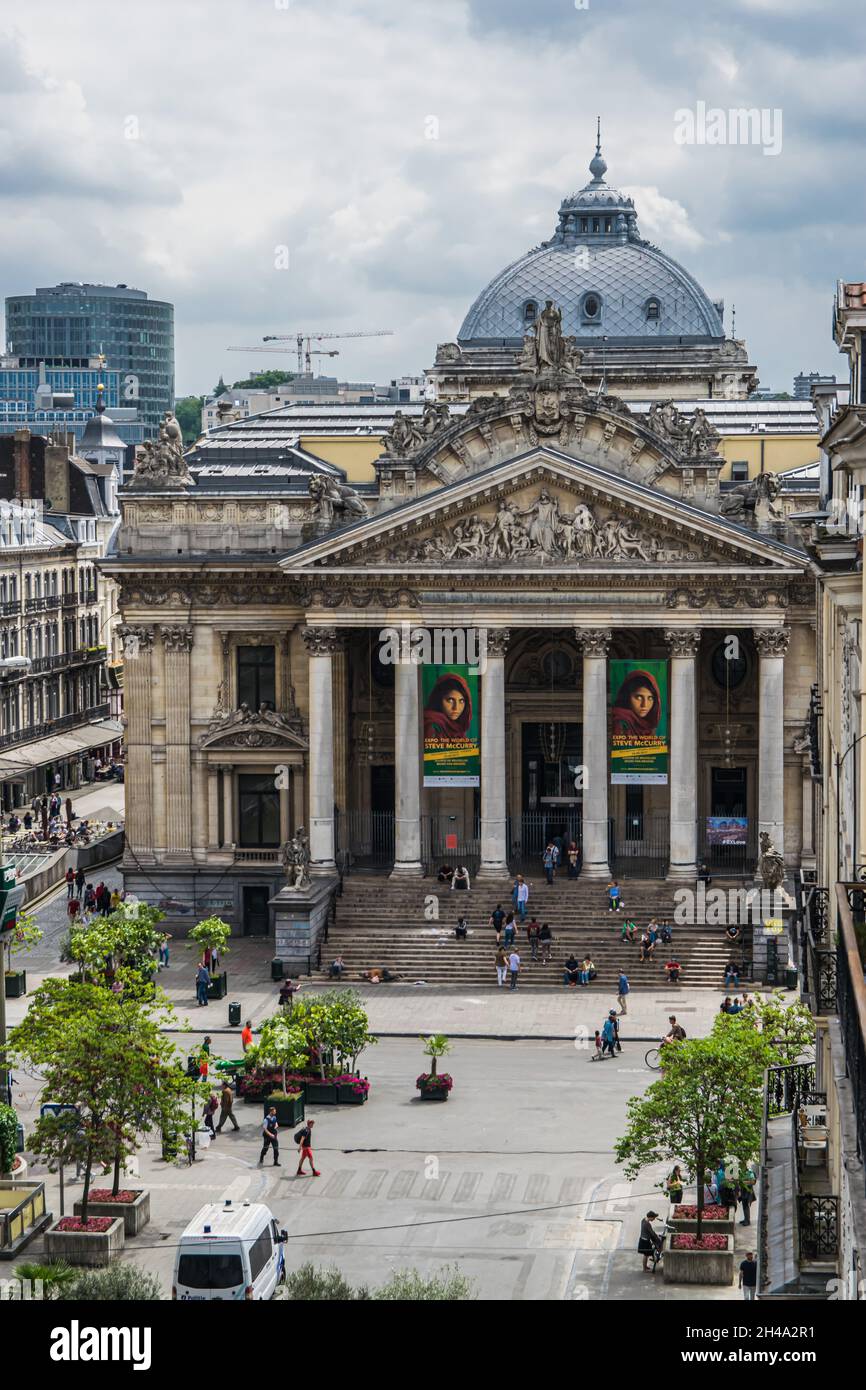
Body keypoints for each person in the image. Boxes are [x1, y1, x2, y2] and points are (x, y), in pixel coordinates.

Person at [423, 671, 473, 743]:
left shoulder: (457, 729)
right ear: (438, 699)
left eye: (461, 701)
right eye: (450, 700)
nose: (456, 708)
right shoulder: (432, 726)